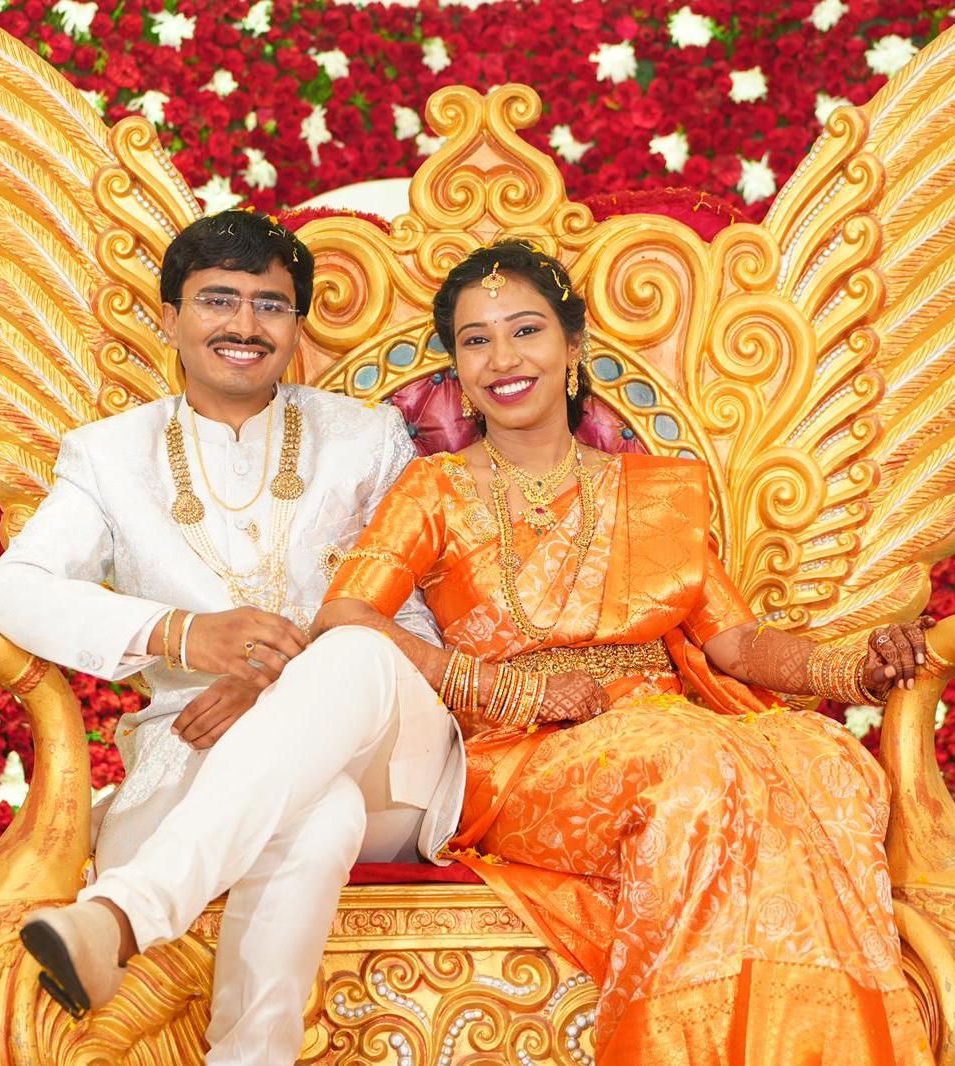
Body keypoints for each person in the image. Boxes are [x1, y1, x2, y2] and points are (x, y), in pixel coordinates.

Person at [313, 240, 936, 1064]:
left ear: (573, 345)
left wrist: (853, 669)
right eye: (476, 340)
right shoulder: (434, 490)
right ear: (456, 369)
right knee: (689, 764)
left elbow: (736, 641)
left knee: (826, 761)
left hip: (666, 727)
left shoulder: (656, 491)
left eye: (526, 330)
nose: (503, 358)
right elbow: (345, 615)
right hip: (517, 754)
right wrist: (503, 690)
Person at [0, 208, 464, 1065]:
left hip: (389, 764)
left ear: (297, 327)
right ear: (170, 318)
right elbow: (8, 593)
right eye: (218, 300)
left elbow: (417, 621)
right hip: (192, 754)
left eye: (271, 305)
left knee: (356, 653)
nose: (245, 325)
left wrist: (284, 686)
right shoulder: (108, 457)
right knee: (318, 813)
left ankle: (122, 915)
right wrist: (181, 634)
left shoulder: (366, 441)